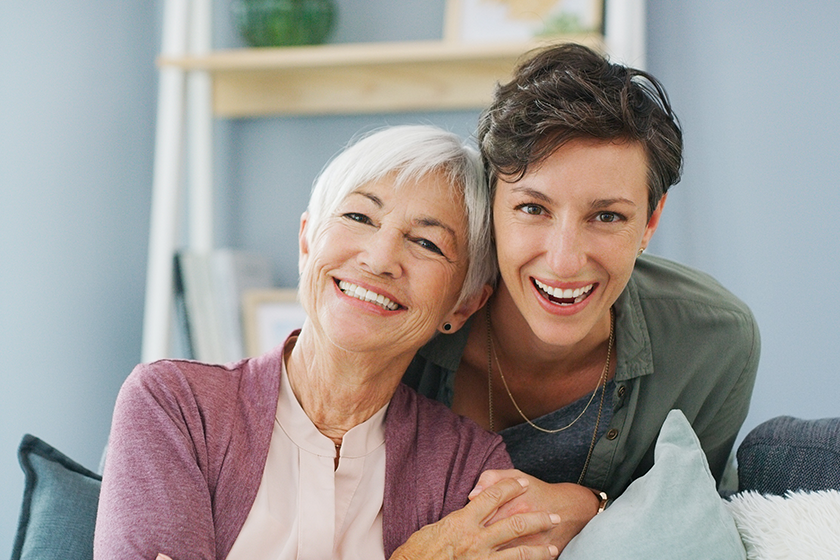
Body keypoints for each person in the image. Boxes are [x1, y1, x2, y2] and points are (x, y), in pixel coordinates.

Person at [94, 125, 562, 560]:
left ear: (463, 306)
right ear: (306, 242)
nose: (379, 259)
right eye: (359, 216)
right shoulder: (175, 405)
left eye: (426, 244)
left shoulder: (467, 468)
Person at [404, 43, 761, 549]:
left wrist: (593, 506)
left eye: (607, 216)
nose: (566, 260)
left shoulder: (714, 344)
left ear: (650, 222)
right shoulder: (408, 320)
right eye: (533, 208)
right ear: (491, 203)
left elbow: (695, 528)